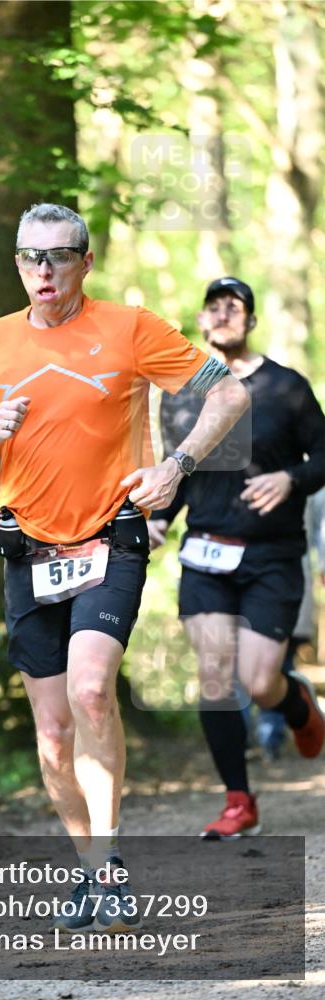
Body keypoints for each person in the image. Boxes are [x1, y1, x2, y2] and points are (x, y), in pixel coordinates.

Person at [0, 204, 249, 931]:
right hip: (25, 548)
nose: (43, 270)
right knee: (52, 731)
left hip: (107, 538)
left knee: (91, 692)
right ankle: (95, 871)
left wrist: (176, 466)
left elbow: (228, 393)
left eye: (58, 256)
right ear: (16, 265)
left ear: (86, 261)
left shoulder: (130, 328)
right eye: (29, 257)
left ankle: (110, 860)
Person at [149, 277, 325, 839]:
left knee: (259, 679)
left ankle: (294, 700)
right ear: (202, 321)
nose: (224, 315)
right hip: (204, 553)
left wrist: (291, 478)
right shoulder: (179, 393)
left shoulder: (287, 387)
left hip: (272, 555)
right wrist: (156, 518)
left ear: (249, 322)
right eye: (214, 307)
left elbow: (324, 456)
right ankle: (238, 802)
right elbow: (176, 470)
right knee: (215, 675)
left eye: (236, 308)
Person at [254, 490, 325, 760]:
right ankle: (244, 737)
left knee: (276, 665)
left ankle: (270, 737)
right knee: (235, 664)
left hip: (289, 577)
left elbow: (322, 525)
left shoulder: (309, 474)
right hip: (233, 580)